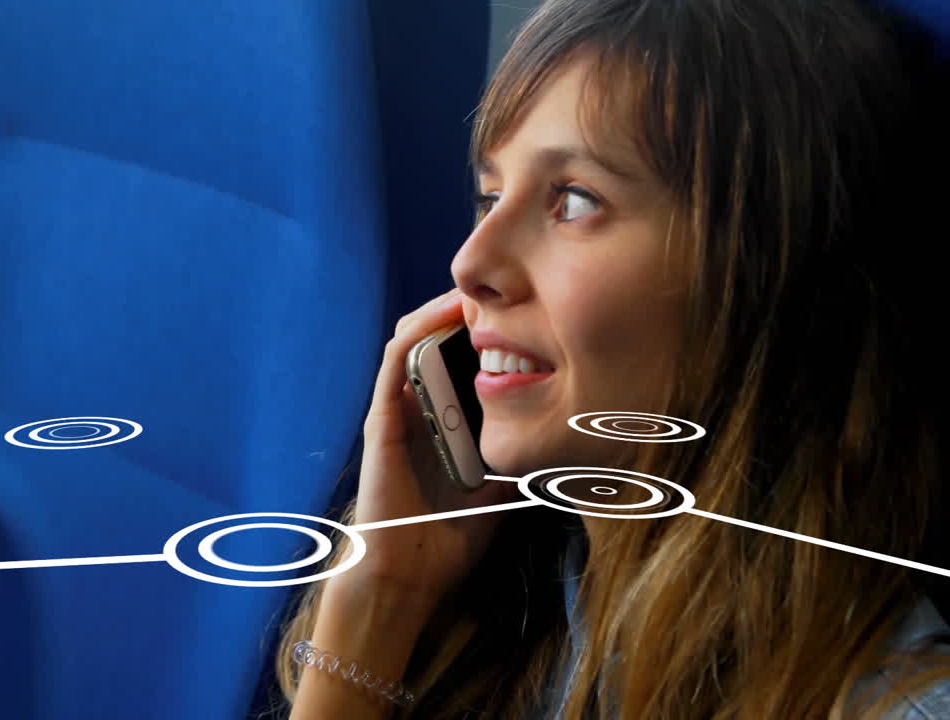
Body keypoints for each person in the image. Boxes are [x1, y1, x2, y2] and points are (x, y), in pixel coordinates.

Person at [270, 0, 950, 717]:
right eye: (489, 195)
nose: (470, 263)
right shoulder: (522, 618)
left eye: (573, 200)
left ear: (774, 276)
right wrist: (380, 594)